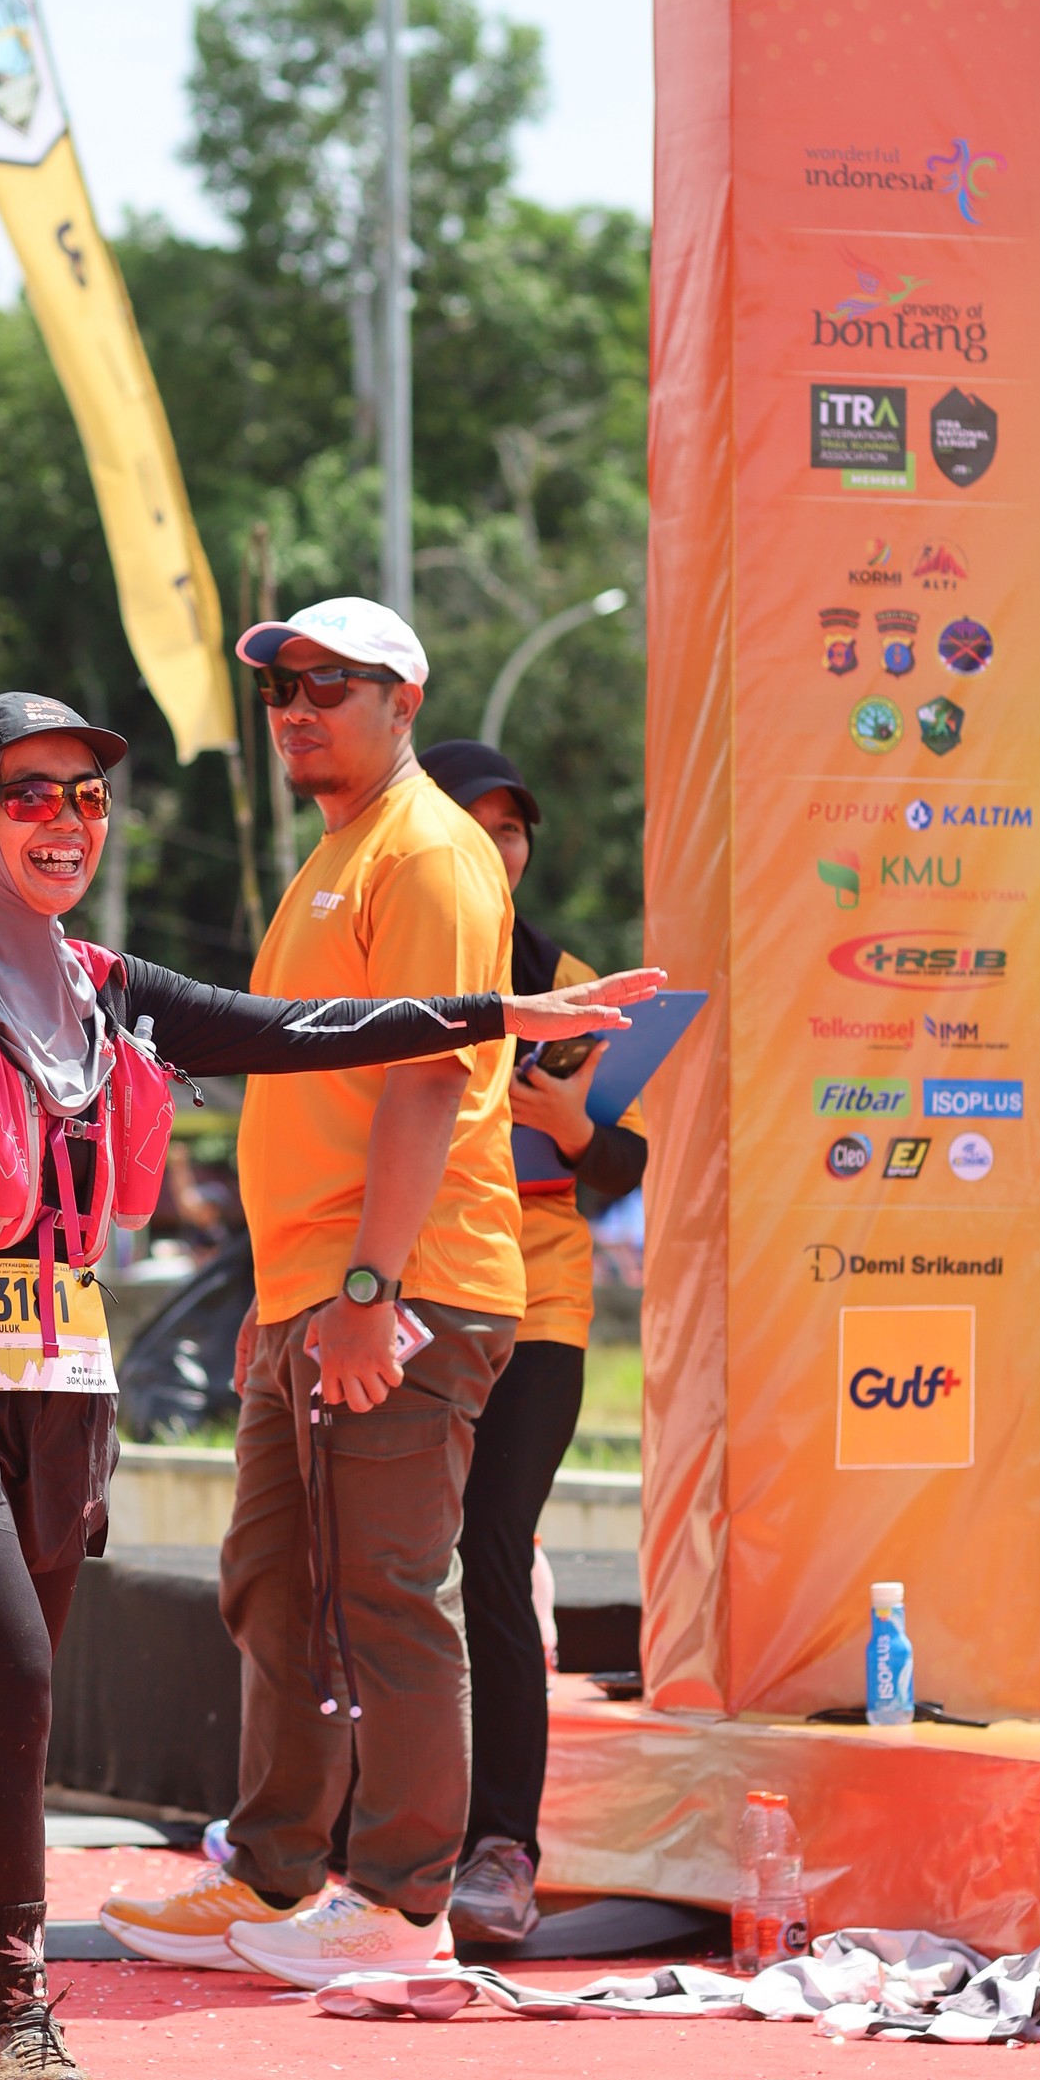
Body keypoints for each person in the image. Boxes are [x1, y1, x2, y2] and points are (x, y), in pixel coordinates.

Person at [0, 688, 658, 2080]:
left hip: (57, 1384)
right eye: (28, 794)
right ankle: (22, 2019)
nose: (67, 823)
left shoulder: (105, 989)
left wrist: (496, 1012)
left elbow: (305, 1028)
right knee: (12, 1679)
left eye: (88, 797)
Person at [103, 605, 664, 1990]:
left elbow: (425, 1079)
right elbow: (316, 1085)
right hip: (319, 1287)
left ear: (404, 699)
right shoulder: (341, 852)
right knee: (275, 1584)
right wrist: (291, 1289)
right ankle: (275, 1871)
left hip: (404, 1290)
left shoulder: (425, 852)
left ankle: (407, 1901)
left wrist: (365, 1284)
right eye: (281, 689)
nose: (297, 709)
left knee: (390, 1595)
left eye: (330, 685)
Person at [419, 740, 648, 1952]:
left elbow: (624, 1170)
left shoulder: (574, 985)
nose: (498, 847)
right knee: (387, 1560)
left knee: (491, 1545)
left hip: (537, 1299)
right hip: (400, 1292)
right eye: (477, 822)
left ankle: (501, 1848)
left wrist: (572, 1126)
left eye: (513, 829)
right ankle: (368, 1839)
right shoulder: (387, 958)